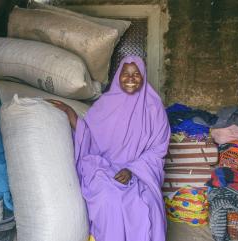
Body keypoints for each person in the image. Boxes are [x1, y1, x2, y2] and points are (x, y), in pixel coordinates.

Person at [48, 55, 170, 241]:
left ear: (143, 77)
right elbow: (90, 137)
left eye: (136, 74)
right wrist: (70, 114)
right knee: (109, 198)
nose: (130, 79)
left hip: (139, 171)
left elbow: (158, 149)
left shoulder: (154, 108)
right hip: (104, 166)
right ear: (117, 77)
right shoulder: (104, 104)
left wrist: (133, 169)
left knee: (147, 203)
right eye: (125, 74)